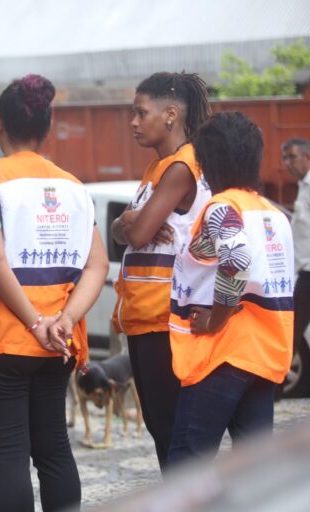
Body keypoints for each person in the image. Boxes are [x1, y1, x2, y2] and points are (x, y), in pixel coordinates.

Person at [0, 74, 109, 511]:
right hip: (58, 344)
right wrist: (64, 321)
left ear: (0, 124)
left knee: (8, 459)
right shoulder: (73, 187)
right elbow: (98, 264)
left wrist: (34, 323)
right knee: (54, 450)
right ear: (47, 127)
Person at [167, 111, 294, 463]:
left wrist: (215, 320)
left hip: (223, 353)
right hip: (265, 353)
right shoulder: (272, 213)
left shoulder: (222, 207)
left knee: (188, 463)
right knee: (253, 469)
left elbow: (236, 259)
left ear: (207, 163)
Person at [110, 72, 211, 472]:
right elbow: (124, 229)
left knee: (173, 436)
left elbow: (137, 231)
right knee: (163, 432)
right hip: (143, 319)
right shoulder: (159, 165)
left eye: (140, 113)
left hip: (164, 320)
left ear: (170, 114)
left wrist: (131, 224)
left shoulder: (182, 166)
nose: (133, 123)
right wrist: (128, 222)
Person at [280, 138, 310, 396]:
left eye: (292, 157)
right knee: (290, 330)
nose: (287, 164)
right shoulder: (303, 186)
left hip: (307, 274)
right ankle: (274, 387)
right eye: (285, 158)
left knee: (291, 330)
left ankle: (274, 388)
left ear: (307, 157)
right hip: (302, 274)